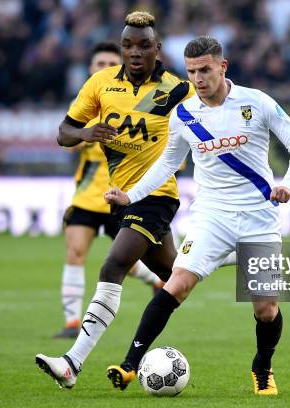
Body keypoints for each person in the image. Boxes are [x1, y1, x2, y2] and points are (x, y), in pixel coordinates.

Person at [105, 36, 290, 396]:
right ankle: (128, 366)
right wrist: (131, 195)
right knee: (178, 282)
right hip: (211, 216)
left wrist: (289, 185)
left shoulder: (256, 102)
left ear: (222, 67)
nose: (198, 79)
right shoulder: (183, 114)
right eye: (191, 72)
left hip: (259, 217)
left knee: (266, 309)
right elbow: (167, 163)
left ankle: (263, 366)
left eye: (204, 70)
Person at [35, 11, 194, 388]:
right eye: (127, 45)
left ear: (157, 48)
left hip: (156, 196)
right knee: (177, 275)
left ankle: (72, 363)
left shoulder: (177, 90)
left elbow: (212, 121)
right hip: (121, 199)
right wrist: (88, 131)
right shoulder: (101, 83)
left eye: (143, 45)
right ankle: (241, 259)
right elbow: (63, 132)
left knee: (113, 265)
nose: (134, 52)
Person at [54, 41, 164, 339]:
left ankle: (154, 280)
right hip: (88, 198)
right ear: (91, 69)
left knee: (123, 263)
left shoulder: (145, 105)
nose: (104, 68)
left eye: (109, 64)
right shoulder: (87, 106)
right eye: (98, 64)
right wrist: (84, 133)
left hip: (125, 198)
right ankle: (71, 323)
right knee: (75, 252)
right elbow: (64, 142)